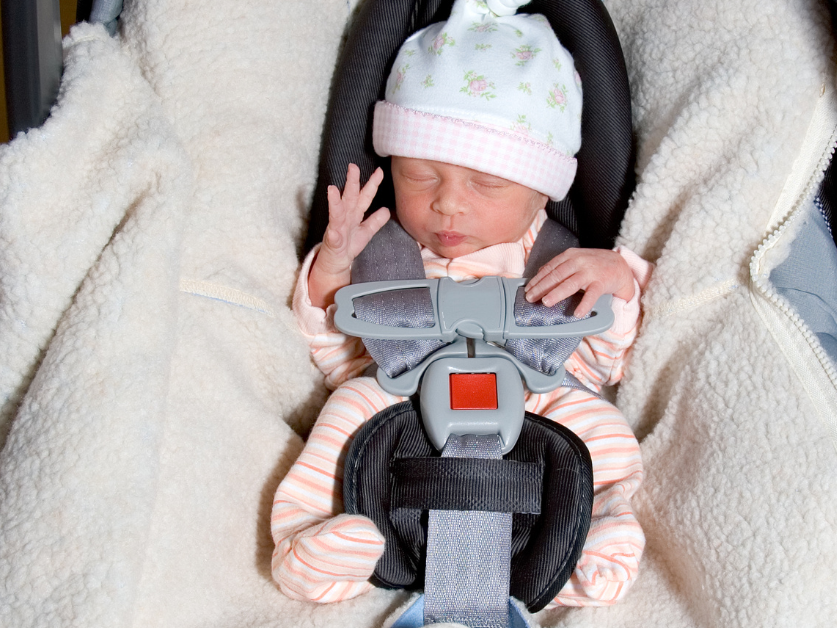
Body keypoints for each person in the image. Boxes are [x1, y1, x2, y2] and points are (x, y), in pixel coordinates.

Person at [271, 0, 651, 607]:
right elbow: (329, 342)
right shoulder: (382, 247)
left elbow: (608, 356)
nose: (448, 204)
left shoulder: (559, 258)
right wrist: (336, 262)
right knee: (344, 413)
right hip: (399, 389)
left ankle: (588, 536)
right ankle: (309, 545)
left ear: (542, 187)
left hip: (539, 395)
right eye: (421, 175)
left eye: (486, 183)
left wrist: (618, 280)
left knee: (603, 431)